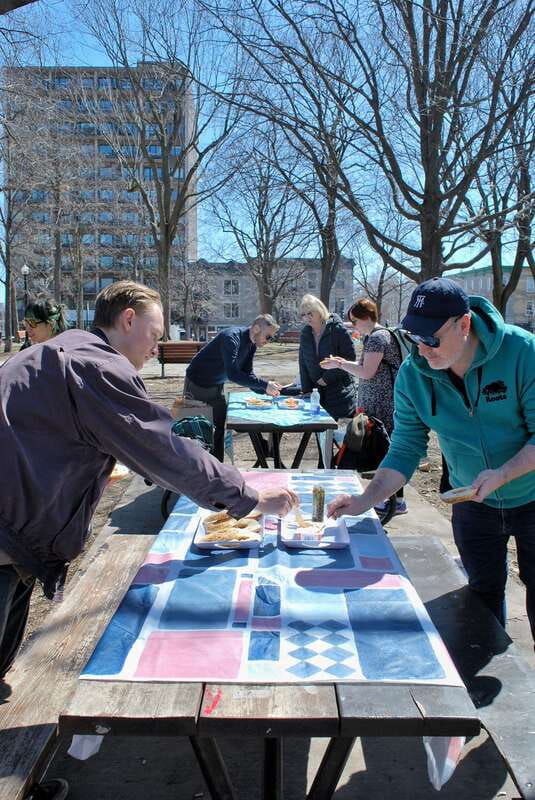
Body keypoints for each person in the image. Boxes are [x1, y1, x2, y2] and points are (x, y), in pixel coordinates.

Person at [0, 282, 297, 689]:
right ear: (127, 319)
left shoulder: (62, 350)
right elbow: (164, 450)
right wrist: (250, 497)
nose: (156, 347)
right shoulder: (96, 366)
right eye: (155, 335)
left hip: (17, 531)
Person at [328, 277, 535, 644]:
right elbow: (406, 448)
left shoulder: (523, 353)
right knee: (483, 593)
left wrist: (504, 473)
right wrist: (364, 501)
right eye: (415, 338)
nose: (423, 350)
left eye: (432, 338)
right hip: (471, 499)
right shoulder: (413, 376)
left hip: (531, 494)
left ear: (464, 324)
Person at [322, 297, 406, 514]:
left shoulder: (378, 338)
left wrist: (339, 364)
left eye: (355, 321)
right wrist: (341, 362)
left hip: (382, 405)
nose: (354, 327)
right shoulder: (377, 336)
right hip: (379, 403)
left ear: (366, 318)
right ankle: (391, 499)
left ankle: (393, 501)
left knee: (383, 450)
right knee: (384, 449)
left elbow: (367, 372)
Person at [184, 314, 282, 461]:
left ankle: (217, 473)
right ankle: (175, 472)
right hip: (197, 384)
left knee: (218, 432)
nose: (268, 341)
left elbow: (248, 375)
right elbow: (233, 374)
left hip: (216, 387)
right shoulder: (231, 338)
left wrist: (267, 389)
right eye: (268, 337)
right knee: (195, 435)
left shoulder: (251, 345)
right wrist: (264, 385)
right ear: (256, 328)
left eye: (272, 338)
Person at [298, 294, 357, 420]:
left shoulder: (337, 329)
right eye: (303, 315)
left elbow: (349, 358)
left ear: (319, 311)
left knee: (337, 436)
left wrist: (327, 378)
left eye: (310, 313)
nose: (307, 318)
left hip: (339, 393)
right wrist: (307, 390)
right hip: (316, 393)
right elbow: (302, 363)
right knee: (319, 433)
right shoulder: (305, 334)